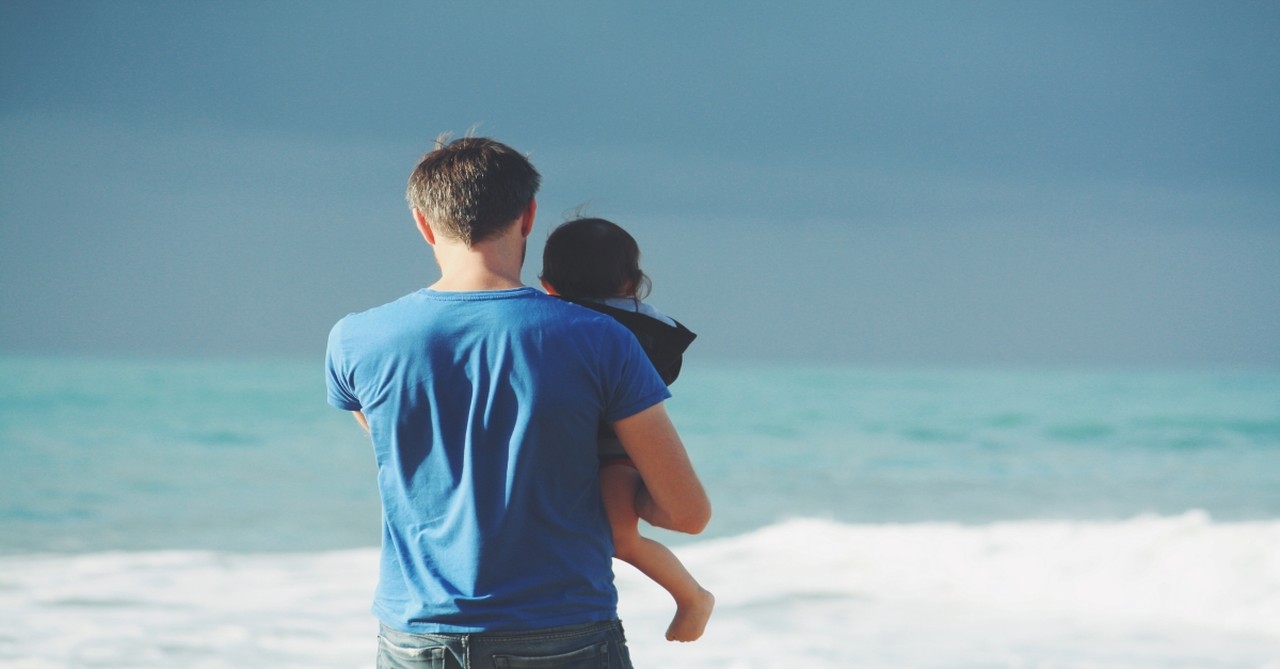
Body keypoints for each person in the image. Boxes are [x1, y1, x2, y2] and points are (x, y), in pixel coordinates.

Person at [325, 136, 710, 669]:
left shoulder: (354, 339)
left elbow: (402, 446)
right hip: (562, 630)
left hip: (418, 636)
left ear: (422, 222)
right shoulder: (600, 338)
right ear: (528, 216)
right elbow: (688, 514)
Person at [539, 217, 715, 642]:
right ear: (634, 281)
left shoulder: (552, 321)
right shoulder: (650, 324)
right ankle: (653, 510)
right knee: (620, 537)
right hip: (623, 449)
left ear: (547, 285)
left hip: (614, 448)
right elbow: (666, 373)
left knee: (620, 537)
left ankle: (693, 596)